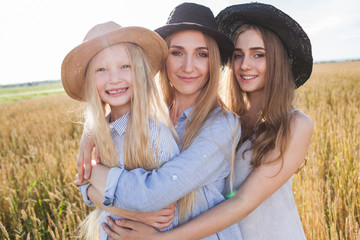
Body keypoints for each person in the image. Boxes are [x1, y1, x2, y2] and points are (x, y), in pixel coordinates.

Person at [101, 2, 314, 240]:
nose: (245, 65)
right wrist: (93, 134)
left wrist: (158, 238)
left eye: (259, 55)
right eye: (238, 55)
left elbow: (241, 201)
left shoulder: (284, 124)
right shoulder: (232, 115)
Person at [75, 2, 243, 239]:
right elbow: (83, 187)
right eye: (177, 52)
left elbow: (152, 195)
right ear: (163, 58)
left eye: (201, 54)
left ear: (213, 61)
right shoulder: (147, 114)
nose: (188, 66)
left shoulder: (222, 125)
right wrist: (92, 129)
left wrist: (93, 173)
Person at [61, 21, 180, 239]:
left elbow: (165, 211)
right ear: (90, 81)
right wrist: (119, 208)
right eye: (101, 69)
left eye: (125, 66)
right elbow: (82, 183)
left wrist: (95, 187)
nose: (114, 78)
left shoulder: (156, 135)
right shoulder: (99, 133)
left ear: (140, 72)